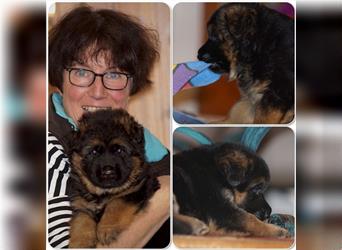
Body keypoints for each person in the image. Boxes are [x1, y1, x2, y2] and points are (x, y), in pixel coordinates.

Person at [48, 6, 170, 248]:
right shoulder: (47, 146)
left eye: (114, 75)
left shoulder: (134, 133)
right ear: (58, 78)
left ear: (131, 86)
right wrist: (163, 199)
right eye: (82, 72)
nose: (98, 92)